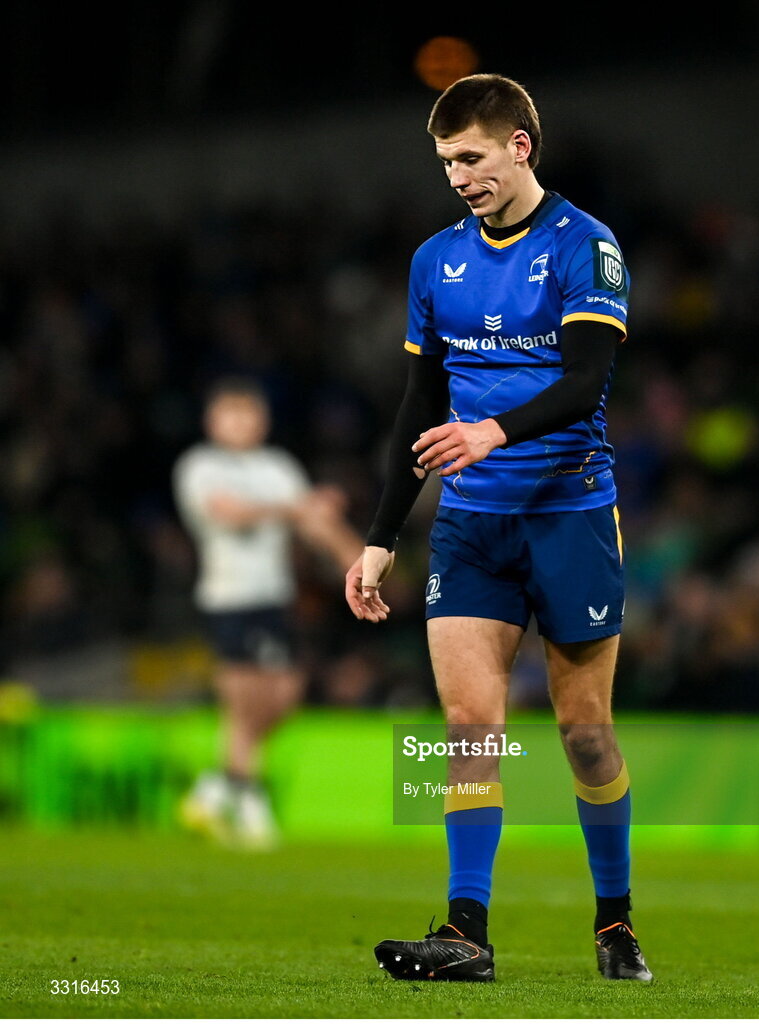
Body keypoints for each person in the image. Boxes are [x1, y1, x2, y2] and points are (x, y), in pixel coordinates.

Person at [345, 74, 652, 982]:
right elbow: (418, 402)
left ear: (519, 145)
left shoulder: (585, 246)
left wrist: (493, 431)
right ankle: (466, 933)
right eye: (446, 163)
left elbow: (586, 379)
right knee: (470, 727)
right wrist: (380, 533)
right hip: (472, 528)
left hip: (567, 518)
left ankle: (613, 924)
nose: (458, 177)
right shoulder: (433, 259)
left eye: (470, 157)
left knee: (583, 733)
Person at [174, 375, 363, 848]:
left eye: (249, 415)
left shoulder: (277, 466)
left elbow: (315, 521)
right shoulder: (200, 466)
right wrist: (295, 507)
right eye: (230, 415)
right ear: (212, 421)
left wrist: (358, 559)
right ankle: (249, 800)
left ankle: (218, 788)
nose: (240, 425)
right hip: (229, 598)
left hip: (274, 597)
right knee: (246, 701)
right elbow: (228, 512)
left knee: (284, 695)